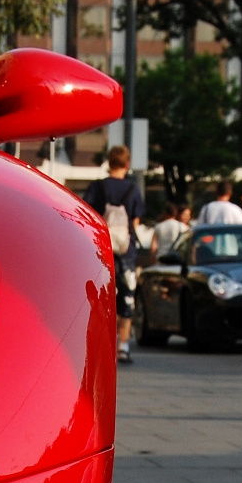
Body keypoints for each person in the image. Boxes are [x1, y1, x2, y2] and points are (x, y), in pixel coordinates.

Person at [83, 145, 145, 365]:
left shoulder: (97, 188)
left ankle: (101, 345)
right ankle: (123, 347)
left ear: (109, 162)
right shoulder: (133, 189)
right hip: (126, 250)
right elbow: (135, 221)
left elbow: (87, 215)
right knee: (126, 296)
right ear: (127, 164)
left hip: (102, 248)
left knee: (101, 296)